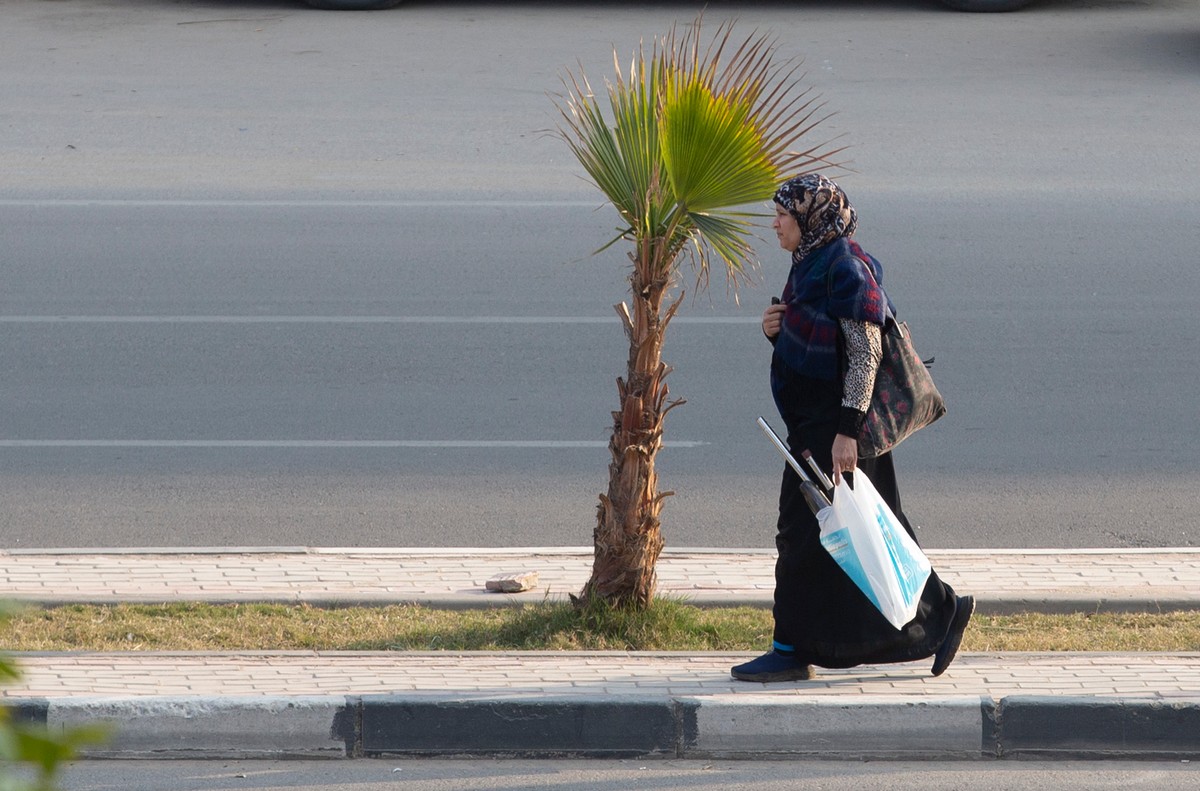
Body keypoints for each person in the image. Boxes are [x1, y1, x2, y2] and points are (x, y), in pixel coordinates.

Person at [732, 174, 973, 683]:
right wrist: (775, 330)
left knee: (812, 536)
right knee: (861, 536)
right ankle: (936, 610)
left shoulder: (846, 269)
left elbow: (864, 356)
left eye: (784, 216)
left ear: (811, 221)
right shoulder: (810, 264)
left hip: (837, 431)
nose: (774, 224)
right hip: (817, 426)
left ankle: (793, 650)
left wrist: (846, 433)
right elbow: (820, 348)